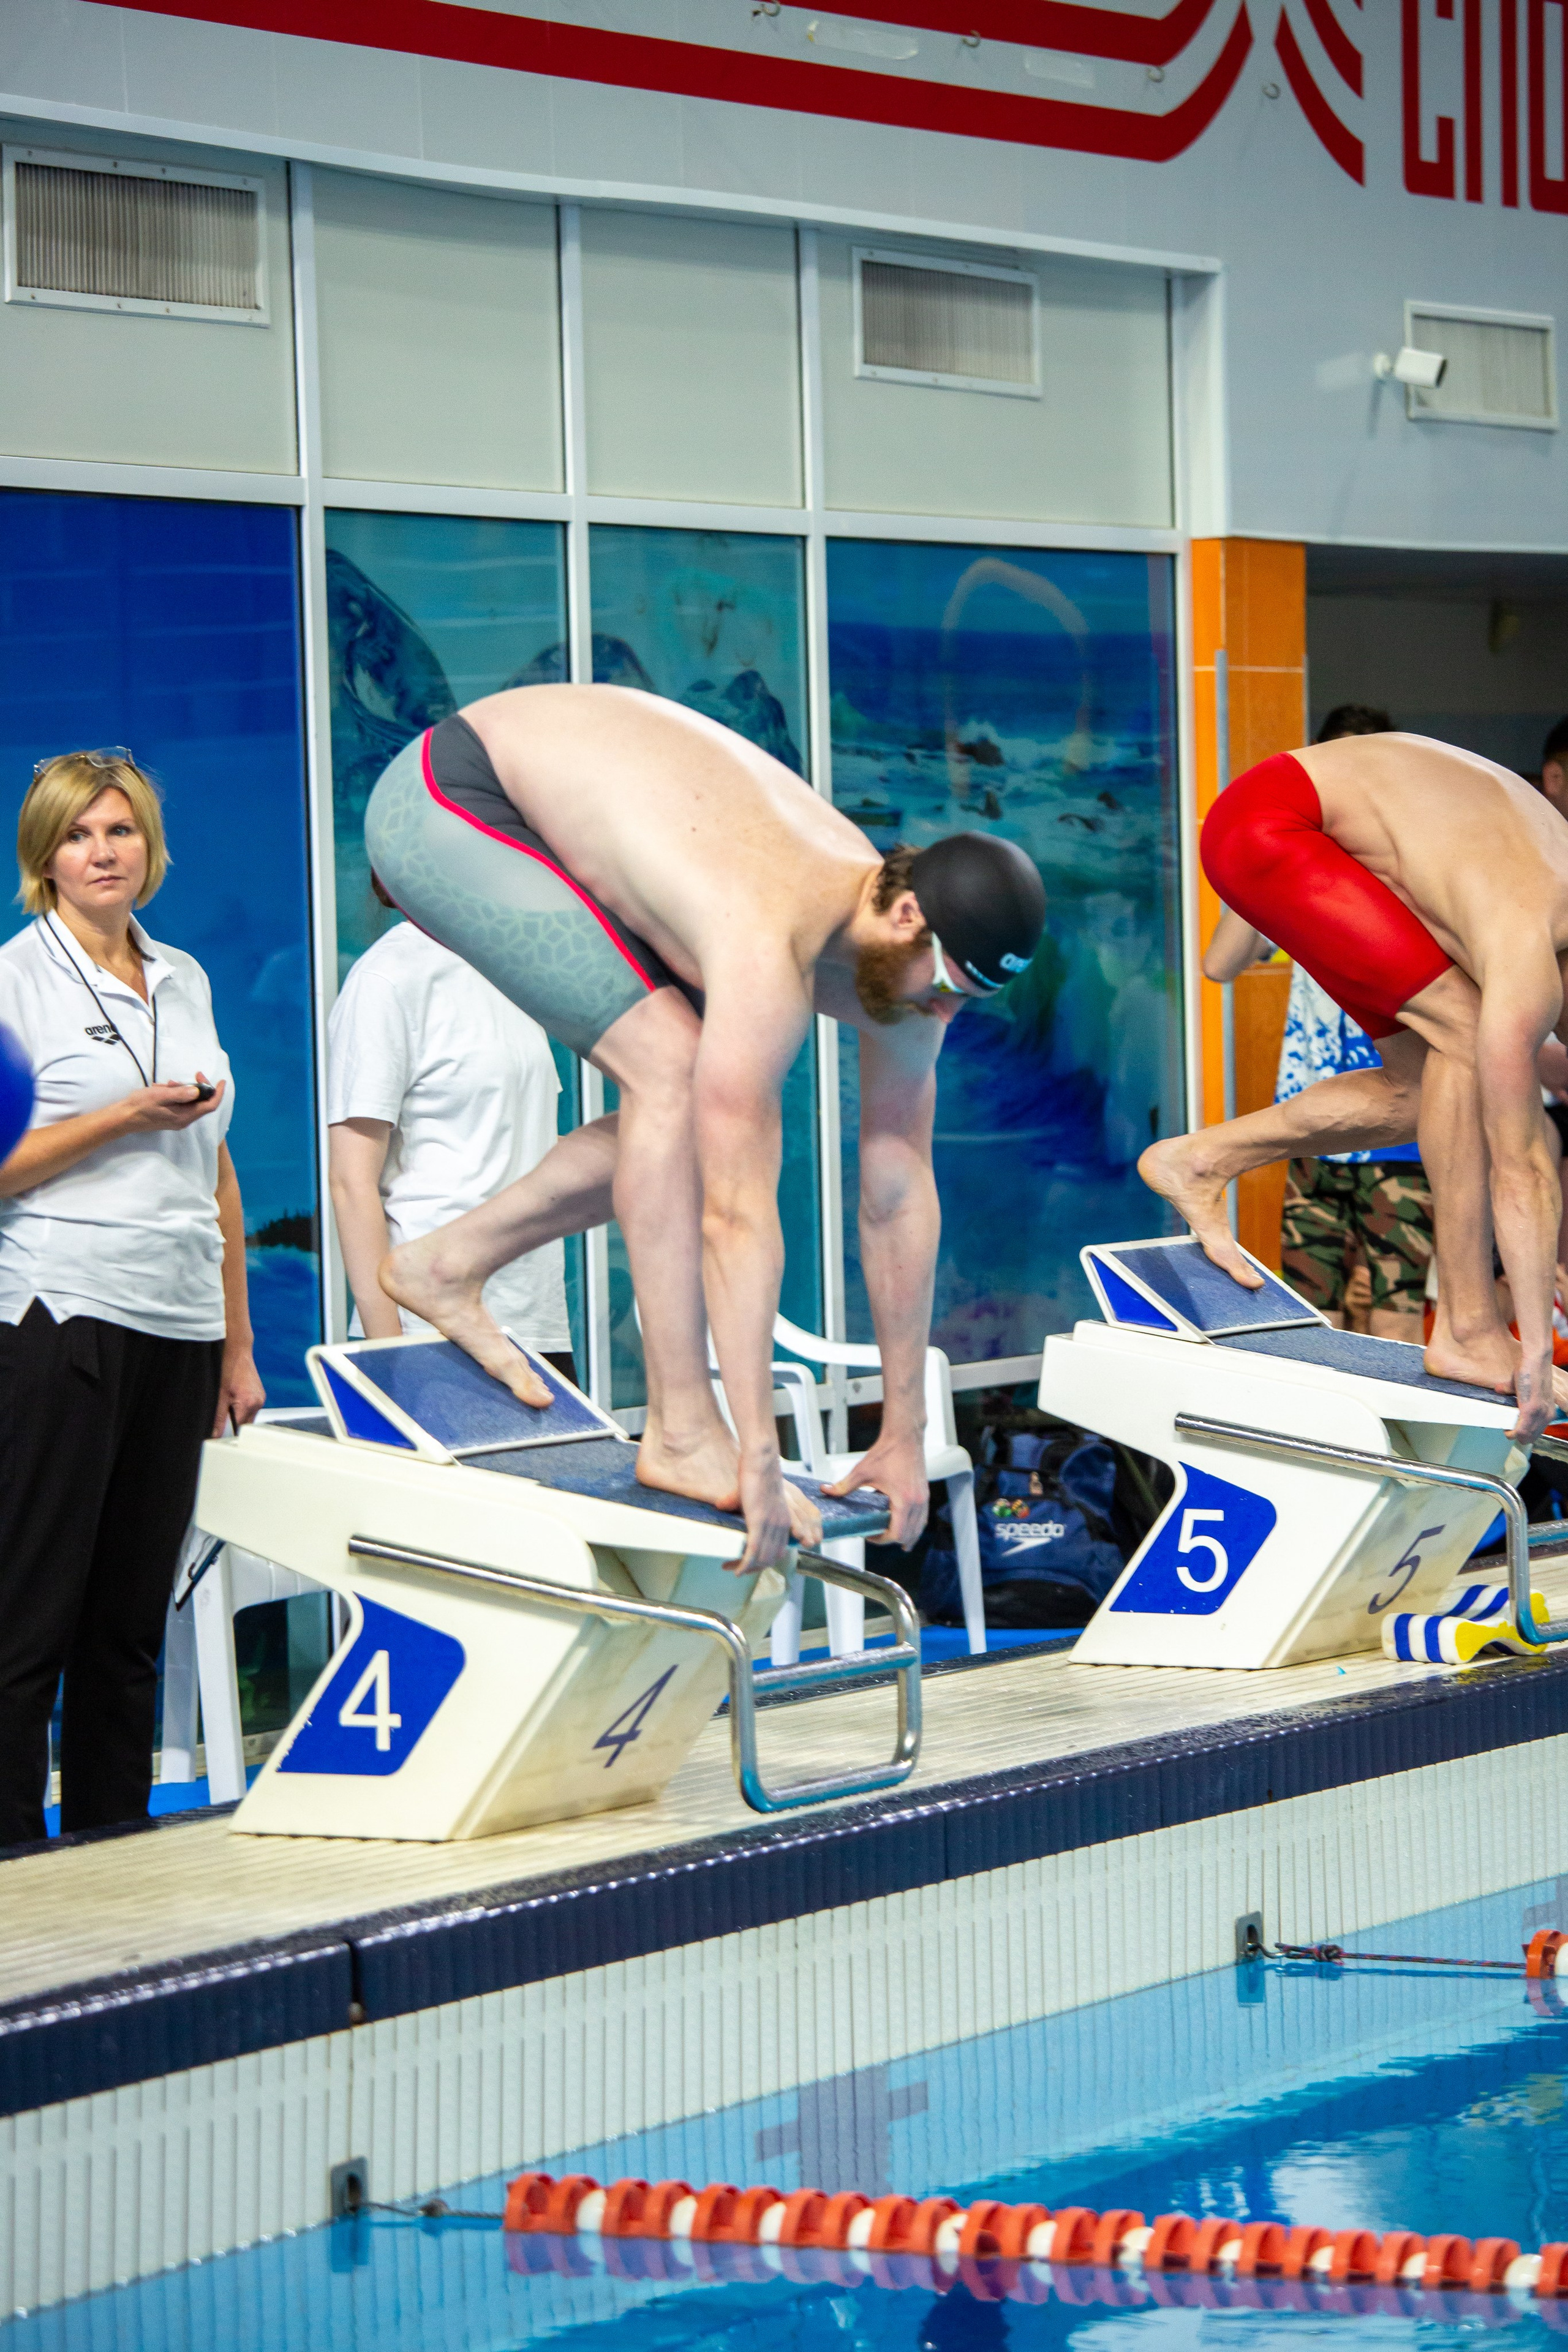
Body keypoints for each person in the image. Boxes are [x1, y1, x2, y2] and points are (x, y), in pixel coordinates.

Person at [364, 684, 1046, 1572]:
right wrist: (753, 1449)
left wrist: (904, 1431)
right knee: (674, 1073)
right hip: (450, 795)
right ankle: (683, 1426)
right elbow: (735, 1215)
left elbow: (896, 1190)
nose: (943, 1011)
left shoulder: (899, 963)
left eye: (967, 999)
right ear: (909, 914)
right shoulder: (768, 935)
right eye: (946, 984)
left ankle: (446, 1262)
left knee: (681, 1089)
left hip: (585, 802)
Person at [1140, 732, 1568, 1442]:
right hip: (1274, 822)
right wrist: (1531, 1348)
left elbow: (1524, 1095)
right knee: (1460, 1040)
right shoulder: (1525, 946)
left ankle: (1199, 1159)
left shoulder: (1544, 896)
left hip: (1289, 824)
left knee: (1420, 1088)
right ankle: (1468, 1329)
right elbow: (1520, 1161)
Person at [0, 750, 265, 1849]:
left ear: (150, 846)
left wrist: (237, 1345)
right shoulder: (15, 982)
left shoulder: (187, 976)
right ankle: (14, 1851)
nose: (102, 853)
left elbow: (217, 1167)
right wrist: (120, 1118)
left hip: (180, 1325)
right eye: (79, 836)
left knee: (130, 1623)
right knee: (31, 1616)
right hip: (64, 1312)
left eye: (120, 833)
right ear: (44, 858)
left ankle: (113, 1844)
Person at [1202, 702, 1433, 1348]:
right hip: (1316, 1130)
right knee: (1311, 1314)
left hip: (1405, 1132)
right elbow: (1220, 965)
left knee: (1395, 1317)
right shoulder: (1293, 873)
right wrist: (1271, 865)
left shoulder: (1414, 870)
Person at [327, 886, 576, 1379]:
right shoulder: (389, 976)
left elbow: (527, 1145)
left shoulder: (512, 971)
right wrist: (389, 1355)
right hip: (429, 1335)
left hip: (535, 1320)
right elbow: (351, 1183)